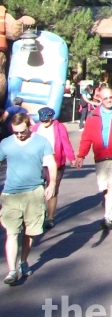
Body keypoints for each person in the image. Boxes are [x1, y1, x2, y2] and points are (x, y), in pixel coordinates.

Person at [0, 113, 56, 285]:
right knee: (12, 232)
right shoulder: (5, 143)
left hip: (34, 192)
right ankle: (11, 270)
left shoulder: (41, 142)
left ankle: (23, 261)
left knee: (29, 232)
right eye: (16, 132)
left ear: (29, 126)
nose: (19, 135)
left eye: (22, 131)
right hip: (11, 194)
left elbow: (51, 163)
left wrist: (52, 183)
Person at [73, 86, 112, 229]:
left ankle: (107, 216)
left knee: (111, 185)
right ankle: (110, 209)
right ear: (99, 99)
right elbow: (87, 137)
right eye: (105, 98)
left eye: (111, 97)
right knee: (105, 189)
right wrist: (81, 155)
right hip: (101, 157)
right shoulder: (92, 115)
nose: (109, 100)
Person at [30, 107, 73, 230]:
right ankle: (38, 215)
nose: (45, 123)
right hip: (38, 163)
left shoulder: (59, 127)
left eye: (47, 120)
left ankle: (50, 218)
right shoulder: (35, 128)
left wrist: (72, 158)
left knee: (52, 190)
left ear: (51, 118)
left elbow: (65, 143)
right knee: (37, 191)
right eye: (42, 120)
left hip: (55, 163)